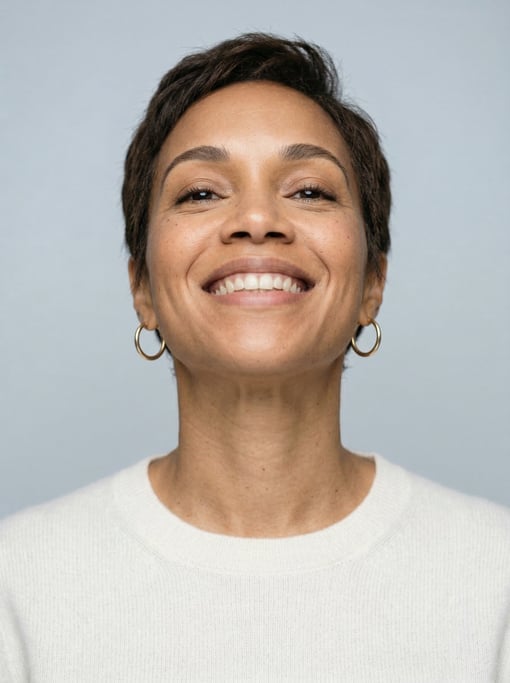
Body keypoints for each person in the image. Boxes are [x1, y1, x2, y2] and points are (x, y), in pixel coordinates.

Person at [1, 33, 509, 682]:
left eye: (309, 191)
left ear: (372, 284)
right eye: (202, 193)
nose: (258, 218)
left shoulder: (496, 580)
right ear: (143, 290)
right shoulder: (17, 584)